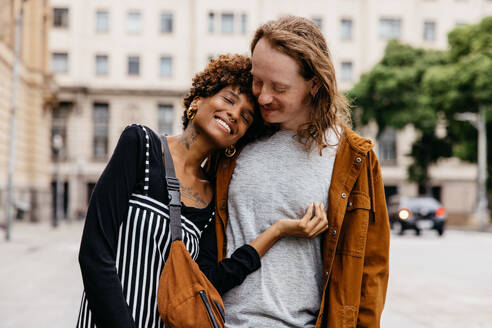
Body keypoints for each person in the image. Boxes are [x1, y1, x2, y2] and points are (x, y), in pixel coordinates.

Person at [76, 54, 329, 328]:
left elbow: (210, 281)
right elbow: (95, 251)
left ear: (239, 137)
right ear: (197, 101)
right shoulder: (140, 146)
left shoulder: (212, 198)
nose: (234, 114)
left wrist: (277, 230)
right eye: (228, 100)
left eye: (245, 116)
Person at [209, 17, 390, 327]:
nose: (263, 96)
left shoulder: (353, 157)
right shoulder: (234, 140)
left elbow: (371, 272)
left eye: (279, 87)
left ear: (314, 84)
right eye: (257, 80)